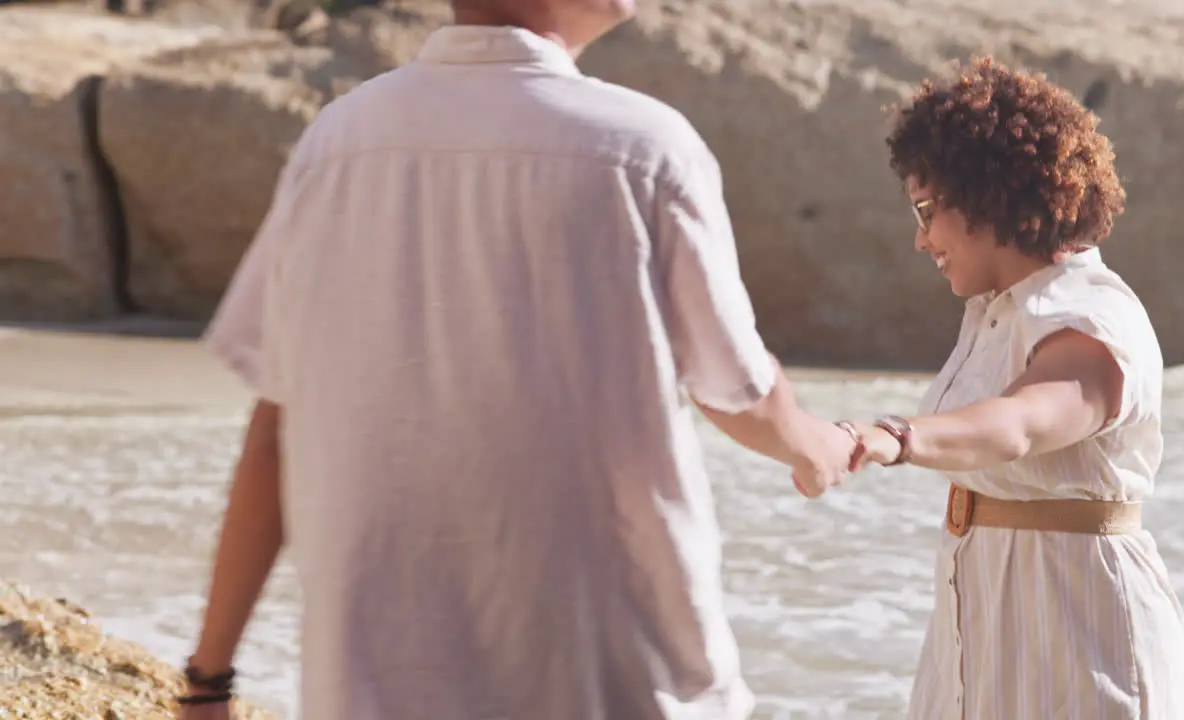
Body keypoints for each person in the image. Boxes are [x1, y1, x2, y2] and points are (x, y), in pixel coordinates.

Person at [176, 1, 857, 719]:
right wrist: (818, 446)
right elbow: (741, 393)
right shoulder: (643, 148)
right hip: (606, 670)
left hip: (380, 678)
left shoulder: (336, 144)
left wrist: (209, 678)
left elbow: (277, 425)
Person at [842, 57, 1184, 719]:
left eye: (925, 209)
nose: (919, 240)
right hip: (976, 633)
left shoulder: (1092, 313)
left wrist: (894, 437)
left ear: (981, 193)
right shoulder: (997, 313)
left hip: (1080, 635)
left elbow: (1019, 424)